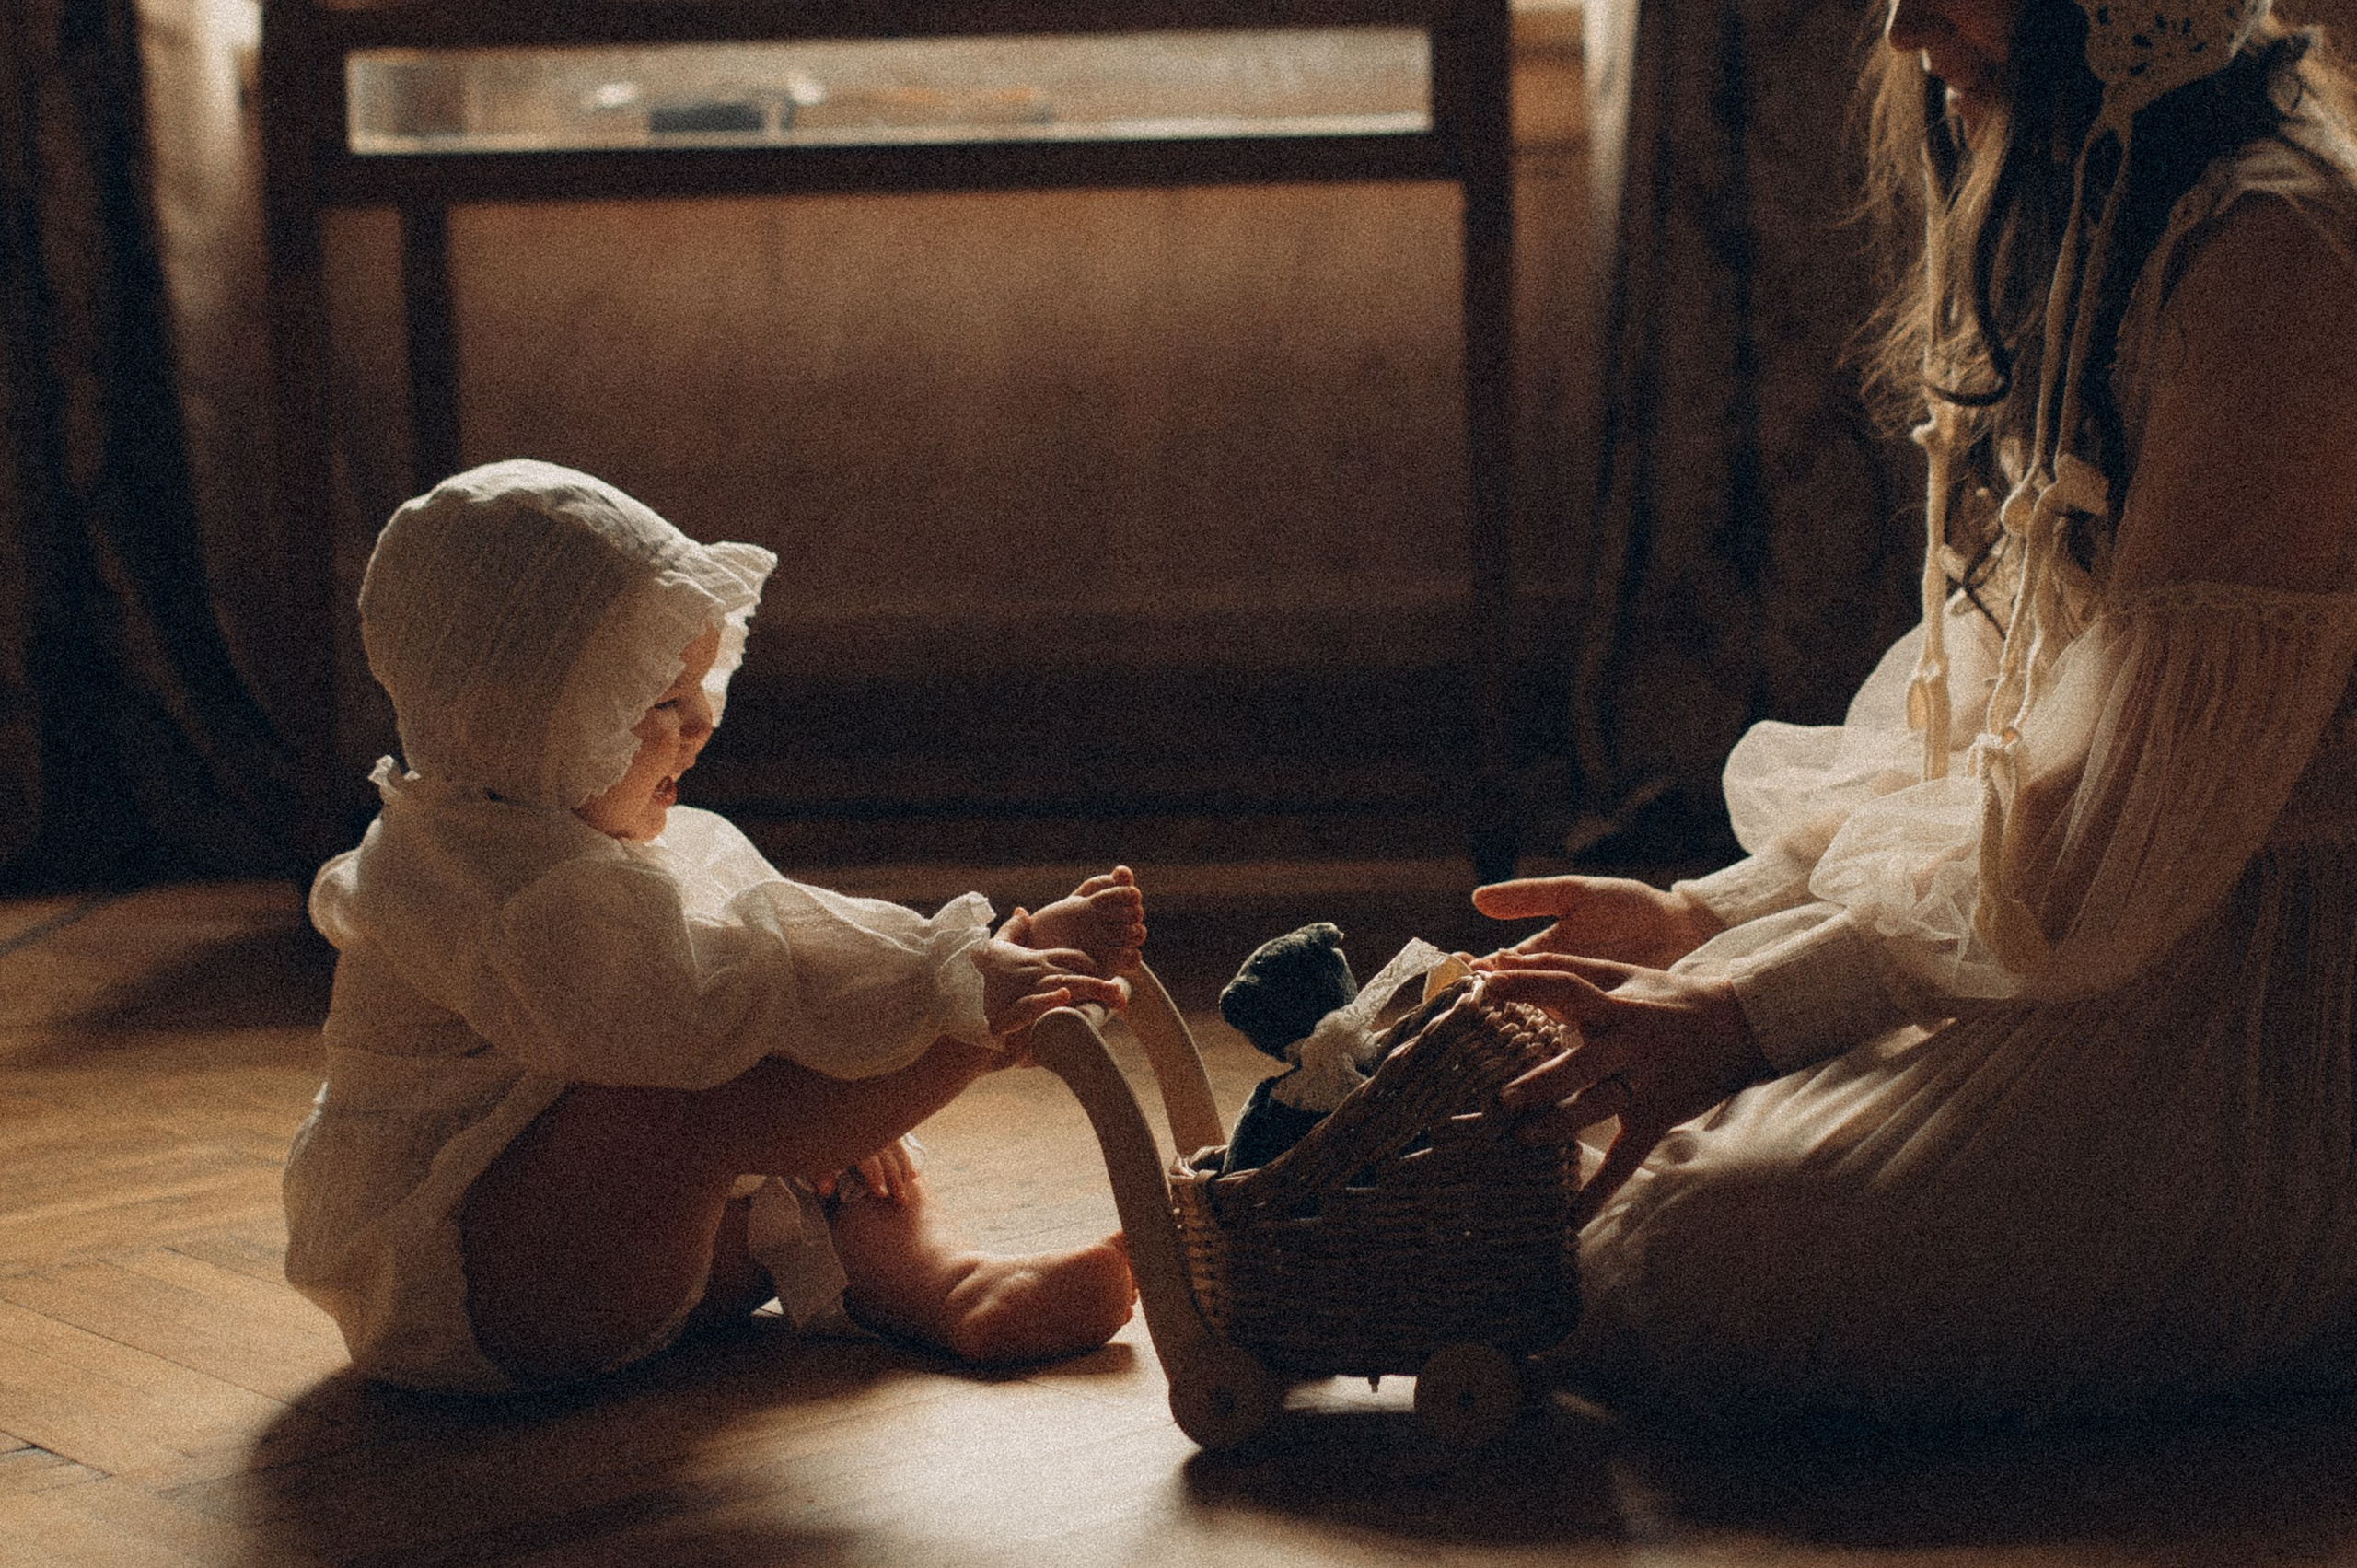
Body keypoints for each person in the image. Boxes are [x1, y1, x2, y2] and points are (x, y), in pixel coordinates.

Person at [1473, 0, 2357, 1426]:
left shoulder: (2284, 257)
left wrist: (1746, 1008)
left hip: (2280, 995)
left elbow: (2107, 825)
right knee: (1588, 1158)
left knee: (1704, 1253)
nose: (1898, 30)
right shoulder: (2128, 198)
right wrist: (1715, 916)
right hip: (2127, 923)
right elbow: (2016, 722)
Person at [282, 459, 1143, 1392]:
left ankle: (949, 1285)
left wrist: (852, 1075)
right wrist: (951, 1006)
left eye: (697, 689)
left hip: (632, 1260)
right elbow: (693, 1018)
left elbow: (780, 967)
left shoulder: (606, 833)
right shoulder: (479, 883)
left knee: (824, 1130)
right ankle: (989, 1021)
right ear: (516, 720)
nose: (698, 723)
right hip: (477, 1287)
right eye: (656, 702)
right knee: (702, 1087)